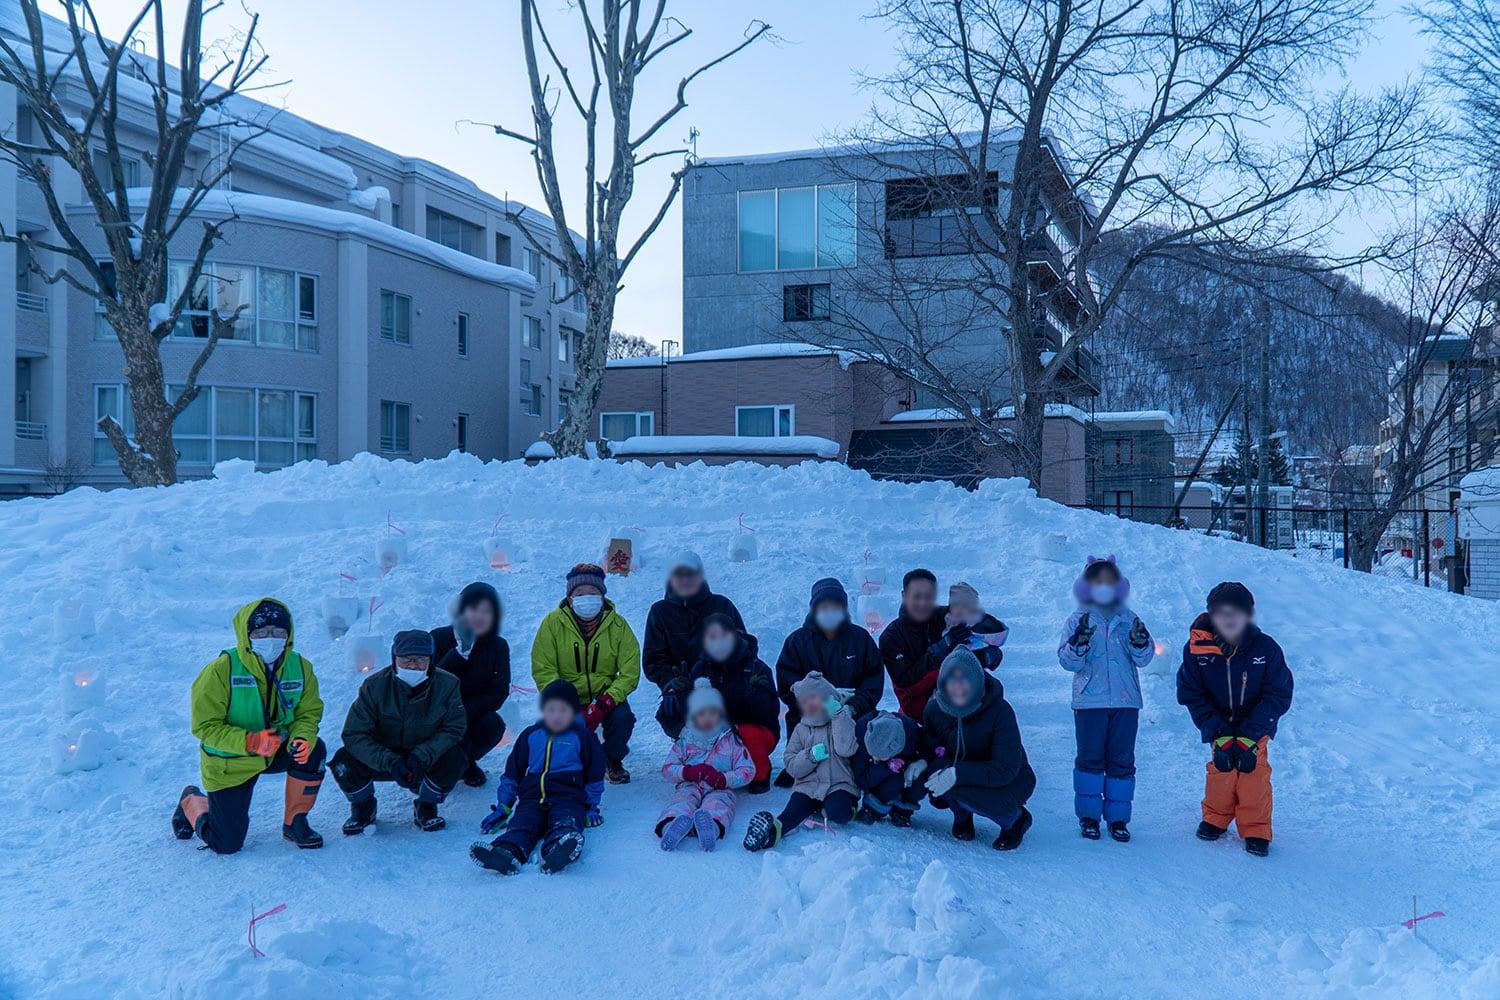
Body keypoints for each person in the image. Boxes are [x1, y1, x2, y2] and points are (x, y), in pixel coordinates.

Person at [172, 598, 326, 854]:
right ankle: (191, 799)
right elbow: (205, 727)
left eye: (278, 632)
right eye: (261, 632)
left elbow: (308, 713)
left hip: (276, 748)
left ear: (289, 635)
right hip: (231, 762)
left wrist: (302, 737)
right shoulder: (221, 670)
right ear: (246, 634)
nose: (271, 638)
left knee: (315, 749)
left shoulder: (300, 667)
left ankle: (295, 821)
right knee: (226, 844)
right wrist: (250, 741)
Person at [1176, 582, 1294, 857]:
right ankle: (1216, 817)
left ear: (1248, 615)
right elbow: (1190, 692)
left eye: (1236, 613)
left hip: (1255, 726)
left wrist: (1251, 733)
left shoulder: (1265, 648)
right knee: (1221, 770)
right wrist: (1216, 730)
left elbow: (1279, 692)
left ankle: (1255, 827)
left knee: (1253, 775)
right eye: (1221, 613)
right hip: (1219, 725)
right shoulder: (1197, 649)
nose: (1229, 619)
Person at [330, 629, 468, 834]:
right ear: (395, 659)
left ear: (431, 659)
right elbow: (354, 733)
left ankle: (426, 805)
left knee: (456, 757)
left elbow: (454, 728)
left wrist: (421, 756)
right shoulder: (374, 686)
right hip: (383, 756)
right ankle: (363, 806)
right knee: (344, 760)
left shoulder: (447, 684)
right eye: (406, 659)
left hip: (423, 757)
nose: (413, 665)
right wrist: (389, 761)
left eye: (420, 659)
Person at [1057, 556, 1155, 843]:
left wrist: (1139, 642)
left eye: (1109, 582)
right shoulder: (1078, 620)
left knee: (1121, 761)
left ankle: (1118, 819)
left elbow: (1145, 657)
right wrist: (1079, 642)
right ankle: (1089, 817)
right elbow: (1067, 662)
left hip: (1125, 702)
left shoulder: (1130, 618)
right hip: (1090, 703)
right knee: (1090, 759)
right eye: (1097, 582)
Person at [469, 679, 605, 876]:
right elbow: (513, 772)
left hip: (568, 797)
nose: (556, 715)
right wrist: (504, 806)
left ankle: (558, 851)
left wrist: (591, 806)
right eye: (551, 709)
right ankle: (506, 853)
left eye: (563, 710)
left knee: (565, 822)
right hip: (531, 798)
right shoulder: (531, 735)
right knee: (522, 825)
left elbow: (595, 774)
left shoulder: (583, 737)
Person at [531, 563, 641, 784]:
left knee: (623, 718)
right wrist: (564, 701)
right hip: (566, 695)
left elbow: (630, 670)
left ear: (602, 597)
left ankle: (612, 760)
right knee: (557, 730)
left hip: (605, 693)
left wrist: (606, 702)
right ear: (570, 599)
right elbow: (543, 668)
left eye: (593, 593)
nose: (587, 598)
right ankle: (569, 762)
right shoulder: (552, 624)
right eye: (580, 593)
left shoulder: (618, 626)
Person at [773, 577, 884, 787]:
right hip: (809, 715)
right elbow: (787, 684)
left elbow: (873, 681)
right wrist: (814, 700)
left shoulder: (860, 639)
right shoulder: (796, 642)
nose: (830, 610)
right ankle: (799, 769)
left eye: (835, 605)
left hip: (850, 713)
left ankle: (857, 771)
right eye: (824, 606)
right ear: (814, 608)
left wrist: (852, 706)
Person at [923, 647, 1036, 851]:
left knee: (987, 799)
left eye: (964, 678)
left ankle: (1015, 819)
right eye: (951, 678)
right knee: (936, 784)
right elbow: (931, 747)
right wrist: (923, 762)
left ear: (976, 680)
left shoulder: (1000, 711)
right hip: (962, 773)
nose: (957, 685)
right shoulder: (934, 709)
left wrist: (957, 773)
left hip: (1008, 779)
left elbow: (1005, 768)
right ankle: (962, 815)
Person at [743, 672, 859, 851]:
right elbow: (791, 765)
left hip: (838, 784)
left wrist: (838, 715)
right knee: (792, 813)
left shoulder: (841, 720)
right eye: (804, 701)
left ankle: (845, 810)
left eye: (813, 697)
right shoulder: (801, 729)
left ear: (827, 696)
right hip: (808, 786)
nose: (809, 703)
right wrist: (810, 757)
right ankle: (771, 834)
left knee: (839, 812)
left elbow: (847, 749)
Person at [642, 551, 747, 737]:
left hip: (723, 683)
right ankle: (688, 748)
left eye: (691, 574)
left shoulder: (722, 605)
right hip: (682, 687)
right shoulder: (660, 611)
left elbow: (743, 645)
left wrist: (723, 670)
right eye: (679, 574)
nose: (686, 580)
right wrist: (670, 683)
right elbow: (654, 659)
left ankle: (732, 747)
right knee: (672, 711)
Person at [656, 679, 756, 852]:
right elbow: (667, 768)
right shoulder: (685, 740)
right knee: (682, 800)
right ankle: (672, 826)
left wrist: (724, 778)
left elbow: (747, 770)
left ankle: (710, 827)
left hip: (720, 787)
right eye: (702, 713)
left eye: (713, 712)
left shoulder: (730, 739)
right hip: (690, 784)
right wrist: (687, 772)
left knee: (720, 804)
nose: (708, 718)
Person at [686, 613, 780, 793]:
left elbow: (770, 714)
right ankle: (706, 770)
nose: (719, 642)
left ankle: (761, 774)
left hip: (753, 732)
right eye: (712, 637)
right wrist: (679, 695)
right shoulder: (700, 668)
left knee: (747, 732)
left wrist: (756, 696)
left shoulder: (756, 667)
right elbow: (689, 713)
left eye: (724, 635)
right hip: (717, 730)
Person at [430, 582, 511, 788]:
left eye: (487, 611)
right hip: (436, 714)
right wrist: (458, 654)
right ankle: (435, 767)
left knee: (493, 726)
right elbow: (431, 685)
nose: (479, 616)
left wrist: (463, 711)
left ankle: (465, 763)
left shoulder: (498, 645)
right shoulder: (438, 638)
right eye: (473, 608)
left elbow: (499, 691)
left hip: (471, 712)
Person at [879, 569, 947, 718]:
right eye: (916, 597)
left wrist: (989, 653)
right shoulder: (891, 637)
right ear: (904, 596)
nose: (923, 603)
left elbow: (983, 623)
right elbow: (906, 683)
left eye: (928, 597)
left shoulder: (944, 617)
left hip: (959, 694)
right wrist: (939, 650)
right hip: (917, 707)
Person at [852, 710, 928, 826]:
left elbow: (931, 747)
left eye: (880, 755)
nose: (874, 757)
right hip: (876, 779)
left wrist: (921, 762)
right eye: (872, 753)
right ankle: (873, 809)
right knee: (893, 781)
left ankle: (903, 811)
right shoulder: (863, 731)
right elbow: (861, 780)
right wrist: (885, 767)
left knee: (919, 780)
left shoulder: (912, 731)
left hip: (906, 773)